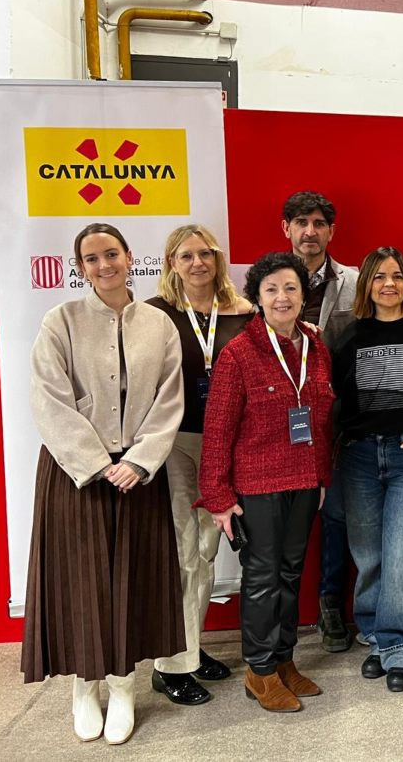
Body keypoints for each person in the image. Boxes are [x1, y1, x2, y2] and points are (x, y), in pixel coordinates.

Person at [24, 223, 185, 745]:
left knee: (133, 578)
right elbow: (48, 397)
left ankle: (122, 685)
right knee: (80, 582)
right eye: (90, 259)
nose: (103, 265)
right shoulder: (61, 321)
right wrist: (95, 462)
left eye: (110, 254)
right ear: (80, 268)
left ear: (128, 257)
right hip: (76, 474)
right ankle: (84, 685)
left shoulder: (158, 324)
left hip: (139, 473)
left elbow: (169, 399)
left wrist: (139, 461)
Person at [198, 252, 335, 713]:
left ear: (303, 295)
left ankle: (284, 660)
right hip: (257, 484)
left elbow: (320, 419)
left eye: (291, 288)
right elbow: (217, 430)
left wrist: (321, 476)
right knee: (261, 579)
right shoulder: (238, 352)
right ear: (257, 297)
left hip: (303, 481)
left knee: (291, 574)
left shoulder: (316, 349)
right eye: (272, 288)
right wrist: (218, 498)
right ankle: (258, 671)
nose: (283, 297)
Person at [327, 248, 403, 692]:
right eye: (378, 276)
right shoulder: (349, 336)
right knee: (368, 553)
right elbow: (333, 398)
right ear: (366, 284)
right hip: (360, 456)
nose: (388, 284)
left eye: (397, 276)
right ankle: (377, 635)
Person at [146, 225, 254, 707]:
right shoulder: (154, 315)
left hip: (228, 443)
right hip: (177, 444)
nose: (197, 263)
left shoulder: (243, 312)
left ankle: (190, 645)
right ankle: (172, 665)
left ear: (218, 259)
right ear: (171, 263)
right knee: (184, 550)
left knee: (208, 549)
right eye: (185, 256)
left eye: (205, 254)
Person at [281, 190, 359, 653]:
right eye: (300, 222)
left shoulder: (352, 283)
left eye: (318, 223)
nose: (309, 231)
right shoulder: (268, 281)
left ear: (332, 231)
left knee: (336, 514)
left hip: (335, 418)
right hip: (277, 420)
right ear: (285, 229)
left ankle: (330, 603)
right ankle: (278, 618)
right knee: (279, 518)